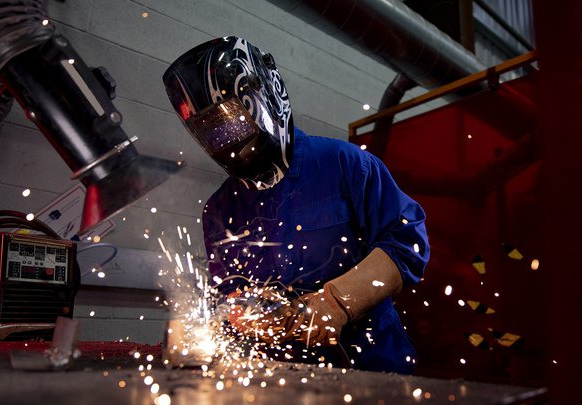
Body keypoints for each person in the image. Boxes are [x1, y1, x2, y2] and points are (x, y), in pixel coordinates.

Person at [162, 36, 429, 374]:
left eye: (233, 119)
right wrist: (212, 322)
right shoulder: (220, 209)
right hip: (278, 375)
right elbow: (227, 295)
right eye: (212, 131)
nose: (228, 139)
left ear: (265, 93)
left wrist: (339, 301)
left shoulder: (344, 163)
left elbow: (408, 242)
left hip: (372, 364)